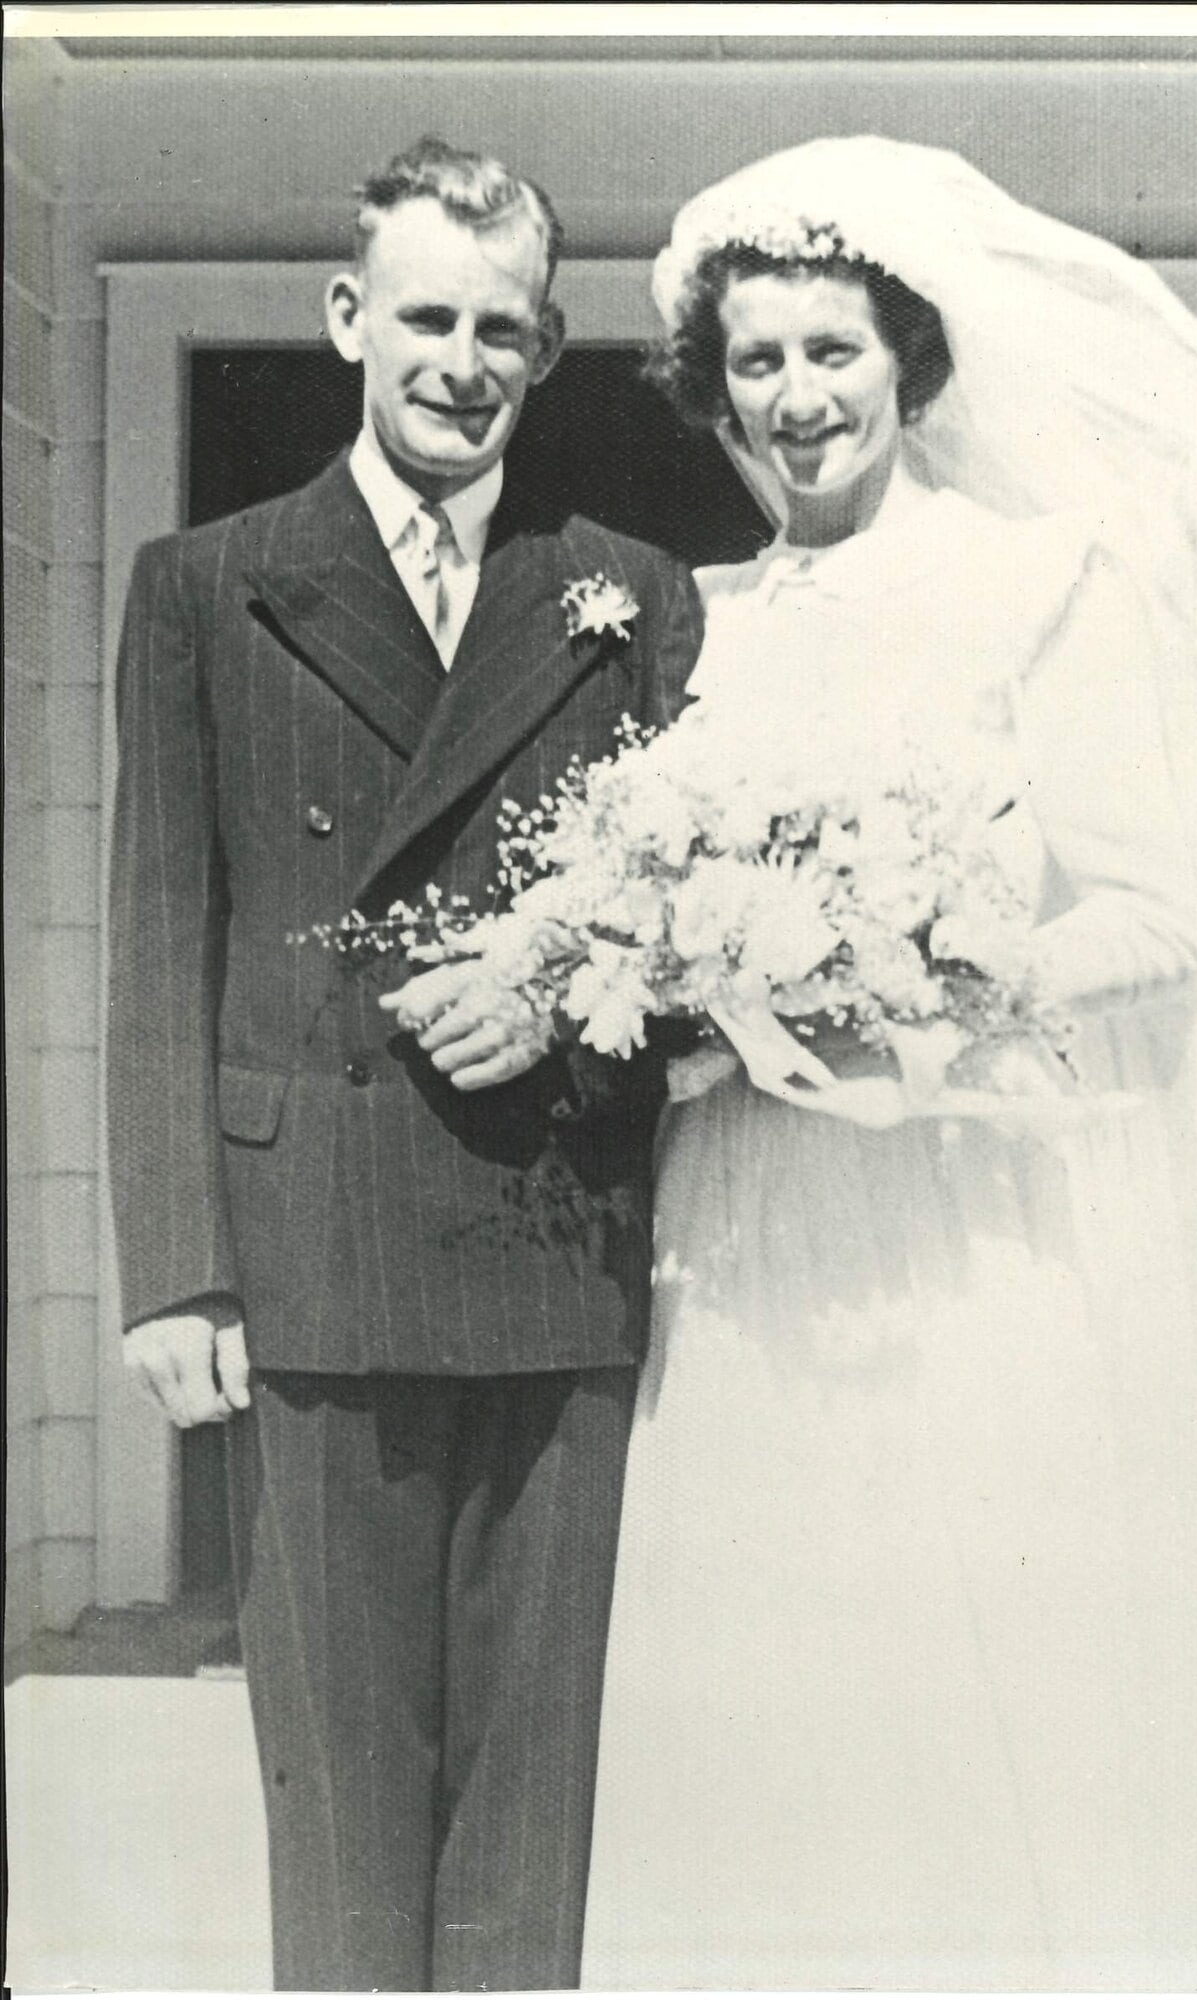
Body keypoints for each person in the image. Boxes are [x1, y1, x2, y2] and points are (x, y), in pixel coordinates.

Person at [397, 139, 1197, 1987]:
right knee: (764, 1692)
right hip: (747, 1229)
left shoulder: (1049, 583)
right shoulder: (697, 621)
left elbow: (1157, 922)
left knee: (969, 1690)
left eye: (834, 353)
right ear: (708, 389)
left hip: (965, 1230)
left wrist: (920, 980)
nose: (797, 400)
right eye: (756, 363)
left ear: (907, 361)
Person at [106, 136, 702, 1992]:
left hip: (551, 1240)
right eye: (426, 315)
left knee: (531, 1812)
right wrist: (176, 1268)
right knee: (347, 1804)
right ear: (349, 317)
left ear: (546, 356)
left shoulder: (628, 594)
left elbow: (698, 930)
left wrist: (565, 1004)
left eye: (501, 329)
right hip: (311, 1255)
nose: (459, 360)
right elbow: (157, 930)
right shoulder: (210, 583)